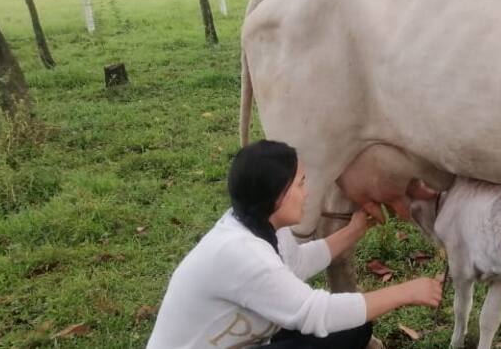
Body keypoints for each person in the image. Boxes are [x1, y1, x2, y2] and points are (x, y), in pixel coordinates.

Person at [147, 140, 443, 348]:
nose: (307, 191)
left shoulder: (262, 224)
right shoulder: (240, 254)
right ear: (276, 195)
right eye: (300, 183)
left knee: (353, 328)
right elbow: (315, 313)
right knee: (334, 324)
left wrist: (353, 231)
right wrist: (406, 291)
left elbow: (295, 263)